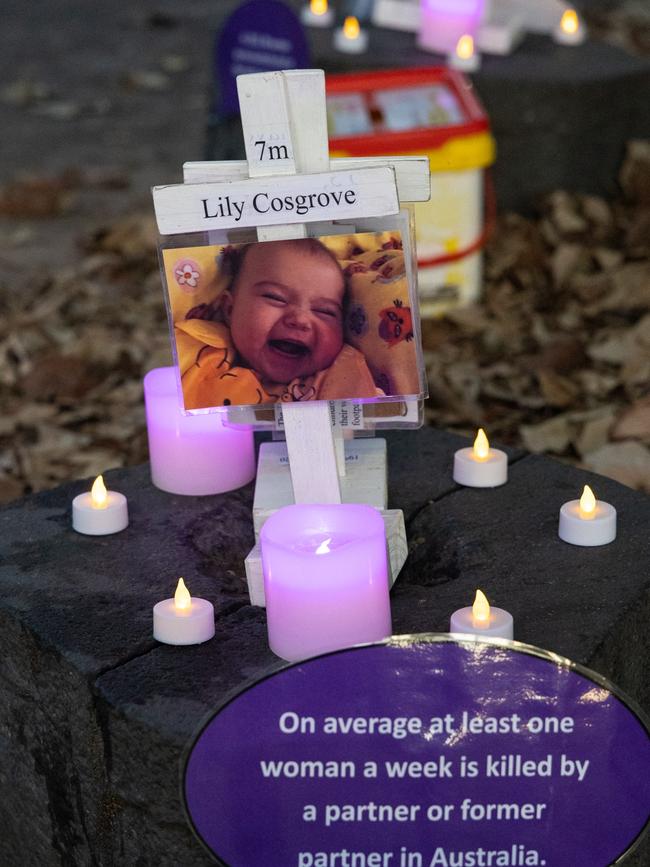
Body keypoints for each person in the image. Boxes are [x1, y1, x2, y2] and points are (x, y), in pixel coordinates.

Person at [175, 239, 380, 409]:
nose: (300, 320)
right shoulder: (198, 350)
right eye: (276, 298)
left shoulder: (342, 373)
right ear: (229, 309)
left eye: (324, 311)